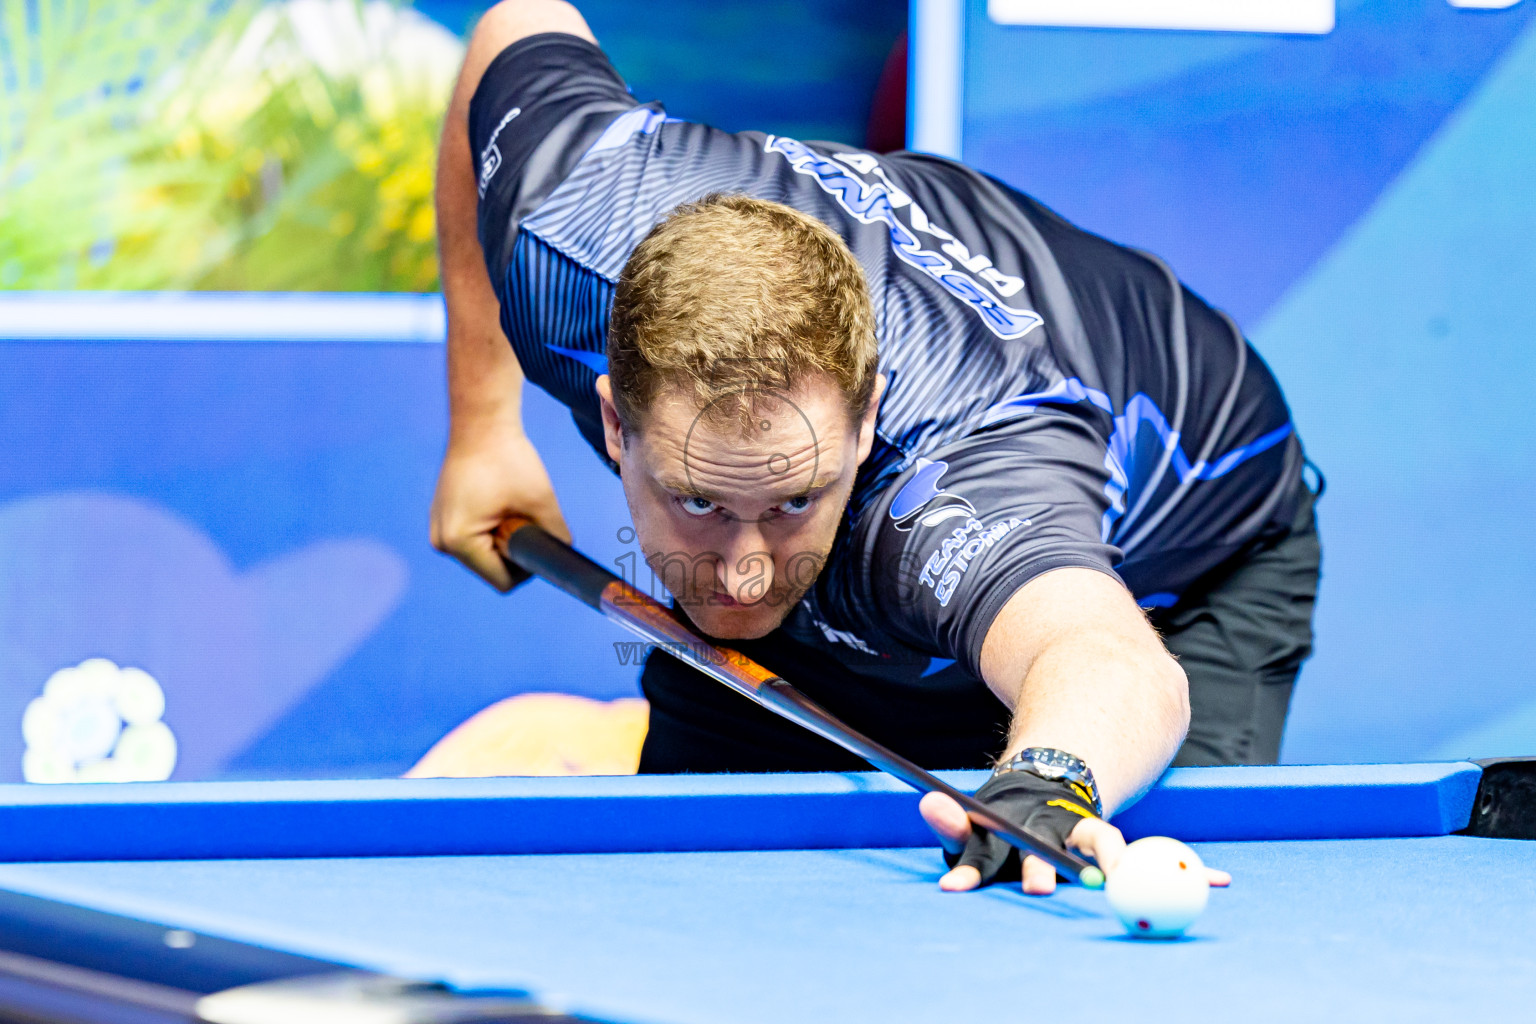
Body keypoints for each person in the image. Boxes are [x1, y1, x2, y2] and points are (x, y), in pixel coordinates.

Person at [429, 0, 1319, 895]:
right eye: (698, 502)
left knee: (1067, 881)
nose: (741, 574)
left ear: (864, 424)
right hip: (866, 564)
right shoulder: (563, 236)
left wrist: (1051, 778)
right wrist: (483, 430)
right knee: (695, 901)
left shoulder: (955, 485)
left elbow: (1107, 654)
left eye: (790, 503)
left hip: (1186, 557)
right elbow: (516, 24)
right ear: (617, 420)